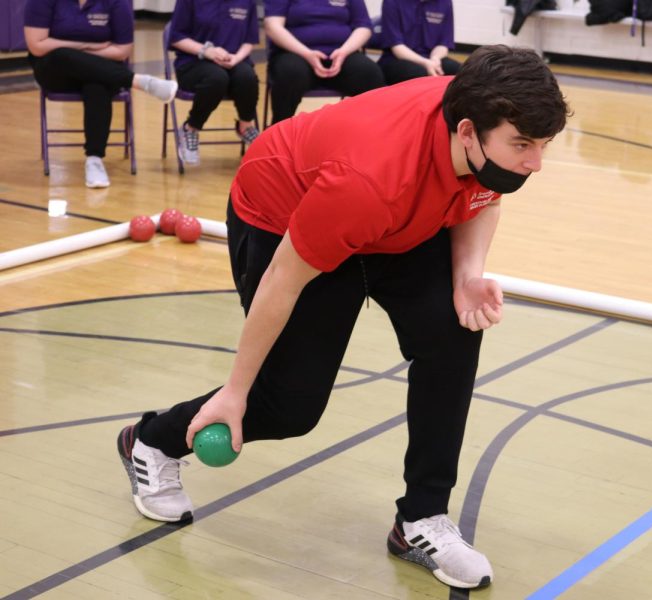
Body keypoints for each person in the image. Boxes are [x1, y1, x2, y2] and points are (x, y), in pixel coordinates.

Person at [116, 45, 570, 590]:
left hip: (396, 223)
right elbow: (284, 279)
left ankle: (420, 519)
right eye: (523, 146)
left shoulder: (479, 130)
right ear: (468, 131)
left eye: (542, 146)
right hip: (287, 212)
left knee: (453, 333)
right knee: (287, 407)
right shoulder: (372, 178)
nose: (535, 163)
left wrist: (467, 276)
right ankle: (154, 439)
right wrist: (237, 390)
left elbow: (482, 196)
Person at [24, 0, 178, 188]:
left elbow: (122, 50)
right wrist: (86, 46)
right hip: (56, 71)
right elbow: (37, 46)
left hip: (104, 72)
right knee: (60, 55)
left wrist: (75, 51)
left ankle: (94, 160)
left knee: (97, 84)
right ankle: (140, 82)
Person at [168, 0, 261, 166]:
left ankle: (245, 126)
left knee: (247, 77)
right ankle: (191, 128)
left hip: (233, 60)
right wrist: (207, 51)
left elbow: (250, 39)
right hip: (193, 61)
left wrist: (236, 58)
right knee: (217, 79)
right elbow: (176, 37)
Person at [263, 0, 384, 125]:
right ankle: (279, 133)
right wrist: (307, 53)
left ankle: (371, 134)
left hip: (342, 54)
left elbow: (363, 26)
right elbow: (273, 26)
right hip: (295, 53)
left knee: (370, 74)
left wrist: (344, 51)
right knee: (290, 73)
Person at [378, 0, 461, 85]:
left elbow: (444, 44)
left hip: (431, 57)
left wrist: (435, 59)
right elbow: (396, 47)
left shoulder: (445, 2)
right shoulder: (392, 1)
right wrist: (425, 63)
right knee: (419, 75)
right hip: (396, 59)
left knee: (460, 72)